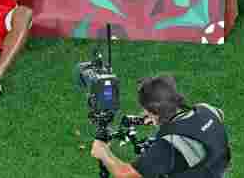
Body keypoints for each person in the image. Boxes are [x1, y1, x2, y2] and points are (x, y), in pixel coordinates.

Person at [90, 74, 230, 178]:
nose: (144, 114)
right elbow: (209, 121)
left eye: (146, 111)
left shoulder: (168, 147)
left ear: (155, 113)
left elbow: (127, 175)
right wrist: (162, 121)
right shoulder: (208, 110)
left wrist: (103, 152)